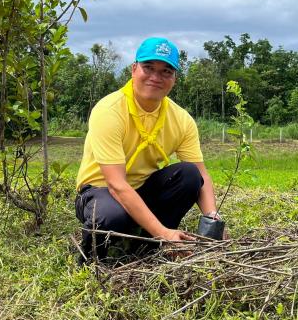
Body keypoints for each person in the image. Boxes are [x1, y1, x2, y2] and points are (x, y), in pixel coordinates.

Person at [74, 37, 221, 263]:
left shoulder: (181, 119)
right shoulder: (109, 110)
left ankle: (147, 247)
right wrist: (162, 231)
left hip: (142, 189)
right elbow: (116, 184)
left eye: (166, 71)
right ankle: (92, 259)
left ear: (174, 79)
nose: (156, 77)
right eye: (148, 68)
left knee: (189, 175)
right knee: (111, 215)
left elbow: (202, 174)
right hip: (100, 191)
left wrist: (212, 220)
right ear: (134, 69)